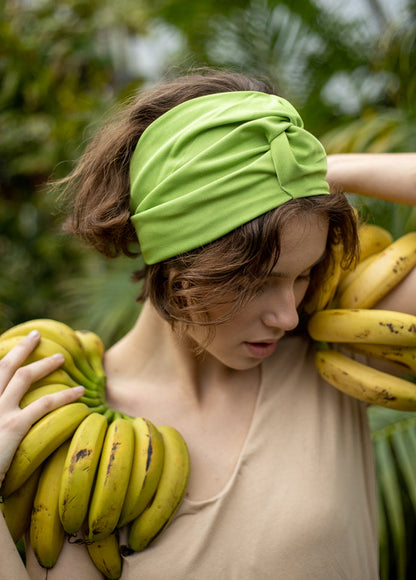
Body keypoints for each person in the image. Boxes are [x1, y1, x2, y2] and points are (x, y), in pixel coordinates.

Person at [1, 69, 416, 580]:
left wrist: (312, 169)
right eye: (257, 282)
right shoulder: (51, 427)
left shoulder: (336, 345)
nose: (287, 315)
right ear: (178, 262)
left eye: (302, 276)